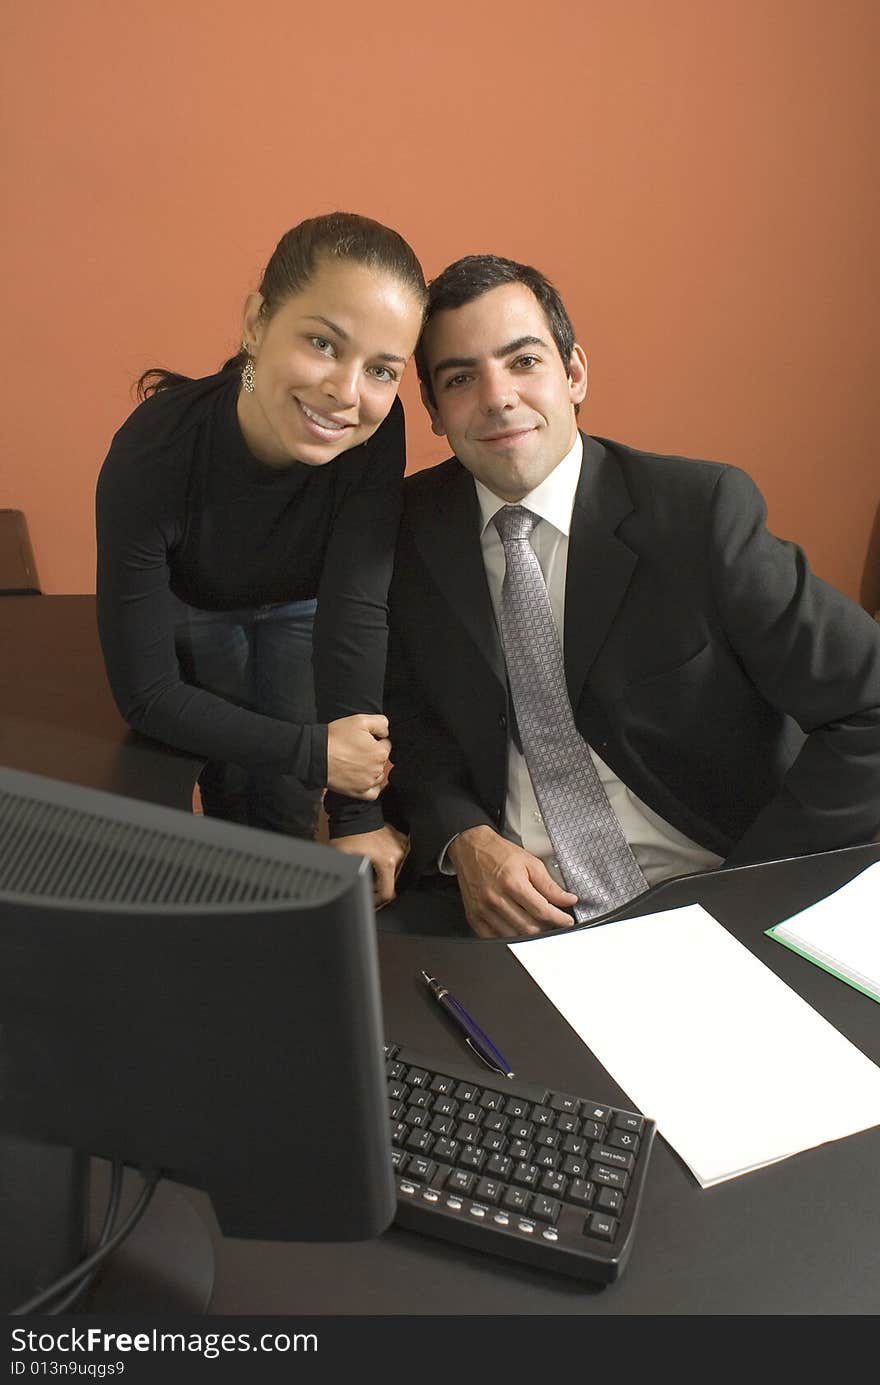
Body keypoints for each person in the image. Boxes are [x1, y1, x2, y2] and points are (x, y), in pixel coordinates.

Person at [382, 253, 880, 938]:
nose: (497, 397)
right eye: (461, 377)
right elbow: (407, 725)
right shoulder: (408, 531)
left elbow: (870, 705)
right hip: (510, 912)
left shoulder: (700, 515)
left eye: (523, 361)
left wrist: (747, 894)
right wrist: (463, 836)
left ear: (575, 373)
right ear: (434, 412)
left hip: (714, 888)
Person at [96, 212, 426, 899]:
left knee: (284, 806)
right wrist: (312, 749)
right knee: (227, 783)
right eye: (321, 343)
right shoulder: (153, 453)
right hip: (198, 599)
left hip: (307, 603)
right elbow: (148, 694)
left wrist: (356, 815)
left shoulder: (374, 426)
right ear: (255, 323)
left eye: (381, 369)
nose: (346, 391)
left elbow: (356, 607)